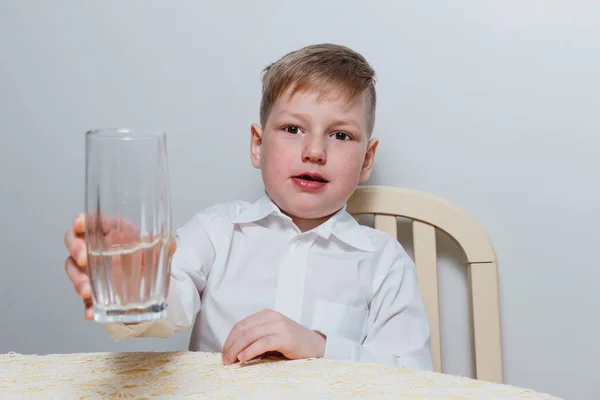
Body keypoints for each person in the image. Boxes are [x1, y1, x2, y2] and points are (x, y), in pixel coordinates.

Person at [64, 43, 433, 370]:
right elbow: (165, 309)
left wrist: (320, 348)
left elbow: (412, 375)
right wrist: (135, 283)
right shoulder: (216, 232)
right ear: (258, 145)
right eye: (292, 129)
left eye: (340, 135)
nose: (314, 152)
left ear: (367, 160)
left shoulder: (384, 260)